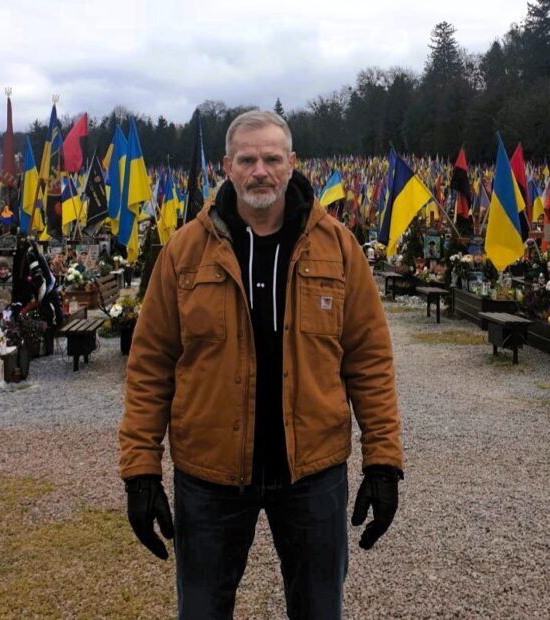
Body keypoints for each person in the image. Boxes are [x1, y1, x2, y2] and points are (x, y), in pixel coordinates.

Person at [119, 110, 403, 620]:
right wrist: (140, 471)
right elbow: (150, 365)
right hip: (211, 474)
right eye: (247, 159)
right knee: (203, 610)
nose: (260, 171)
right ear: (227, 166)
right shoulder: (185, 253)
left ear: (292, 164)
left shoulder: (338, 248)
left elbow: (369, 359)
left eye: (272, 158)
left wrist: (383, 461)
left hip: (312, 472)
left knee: (318, 610)